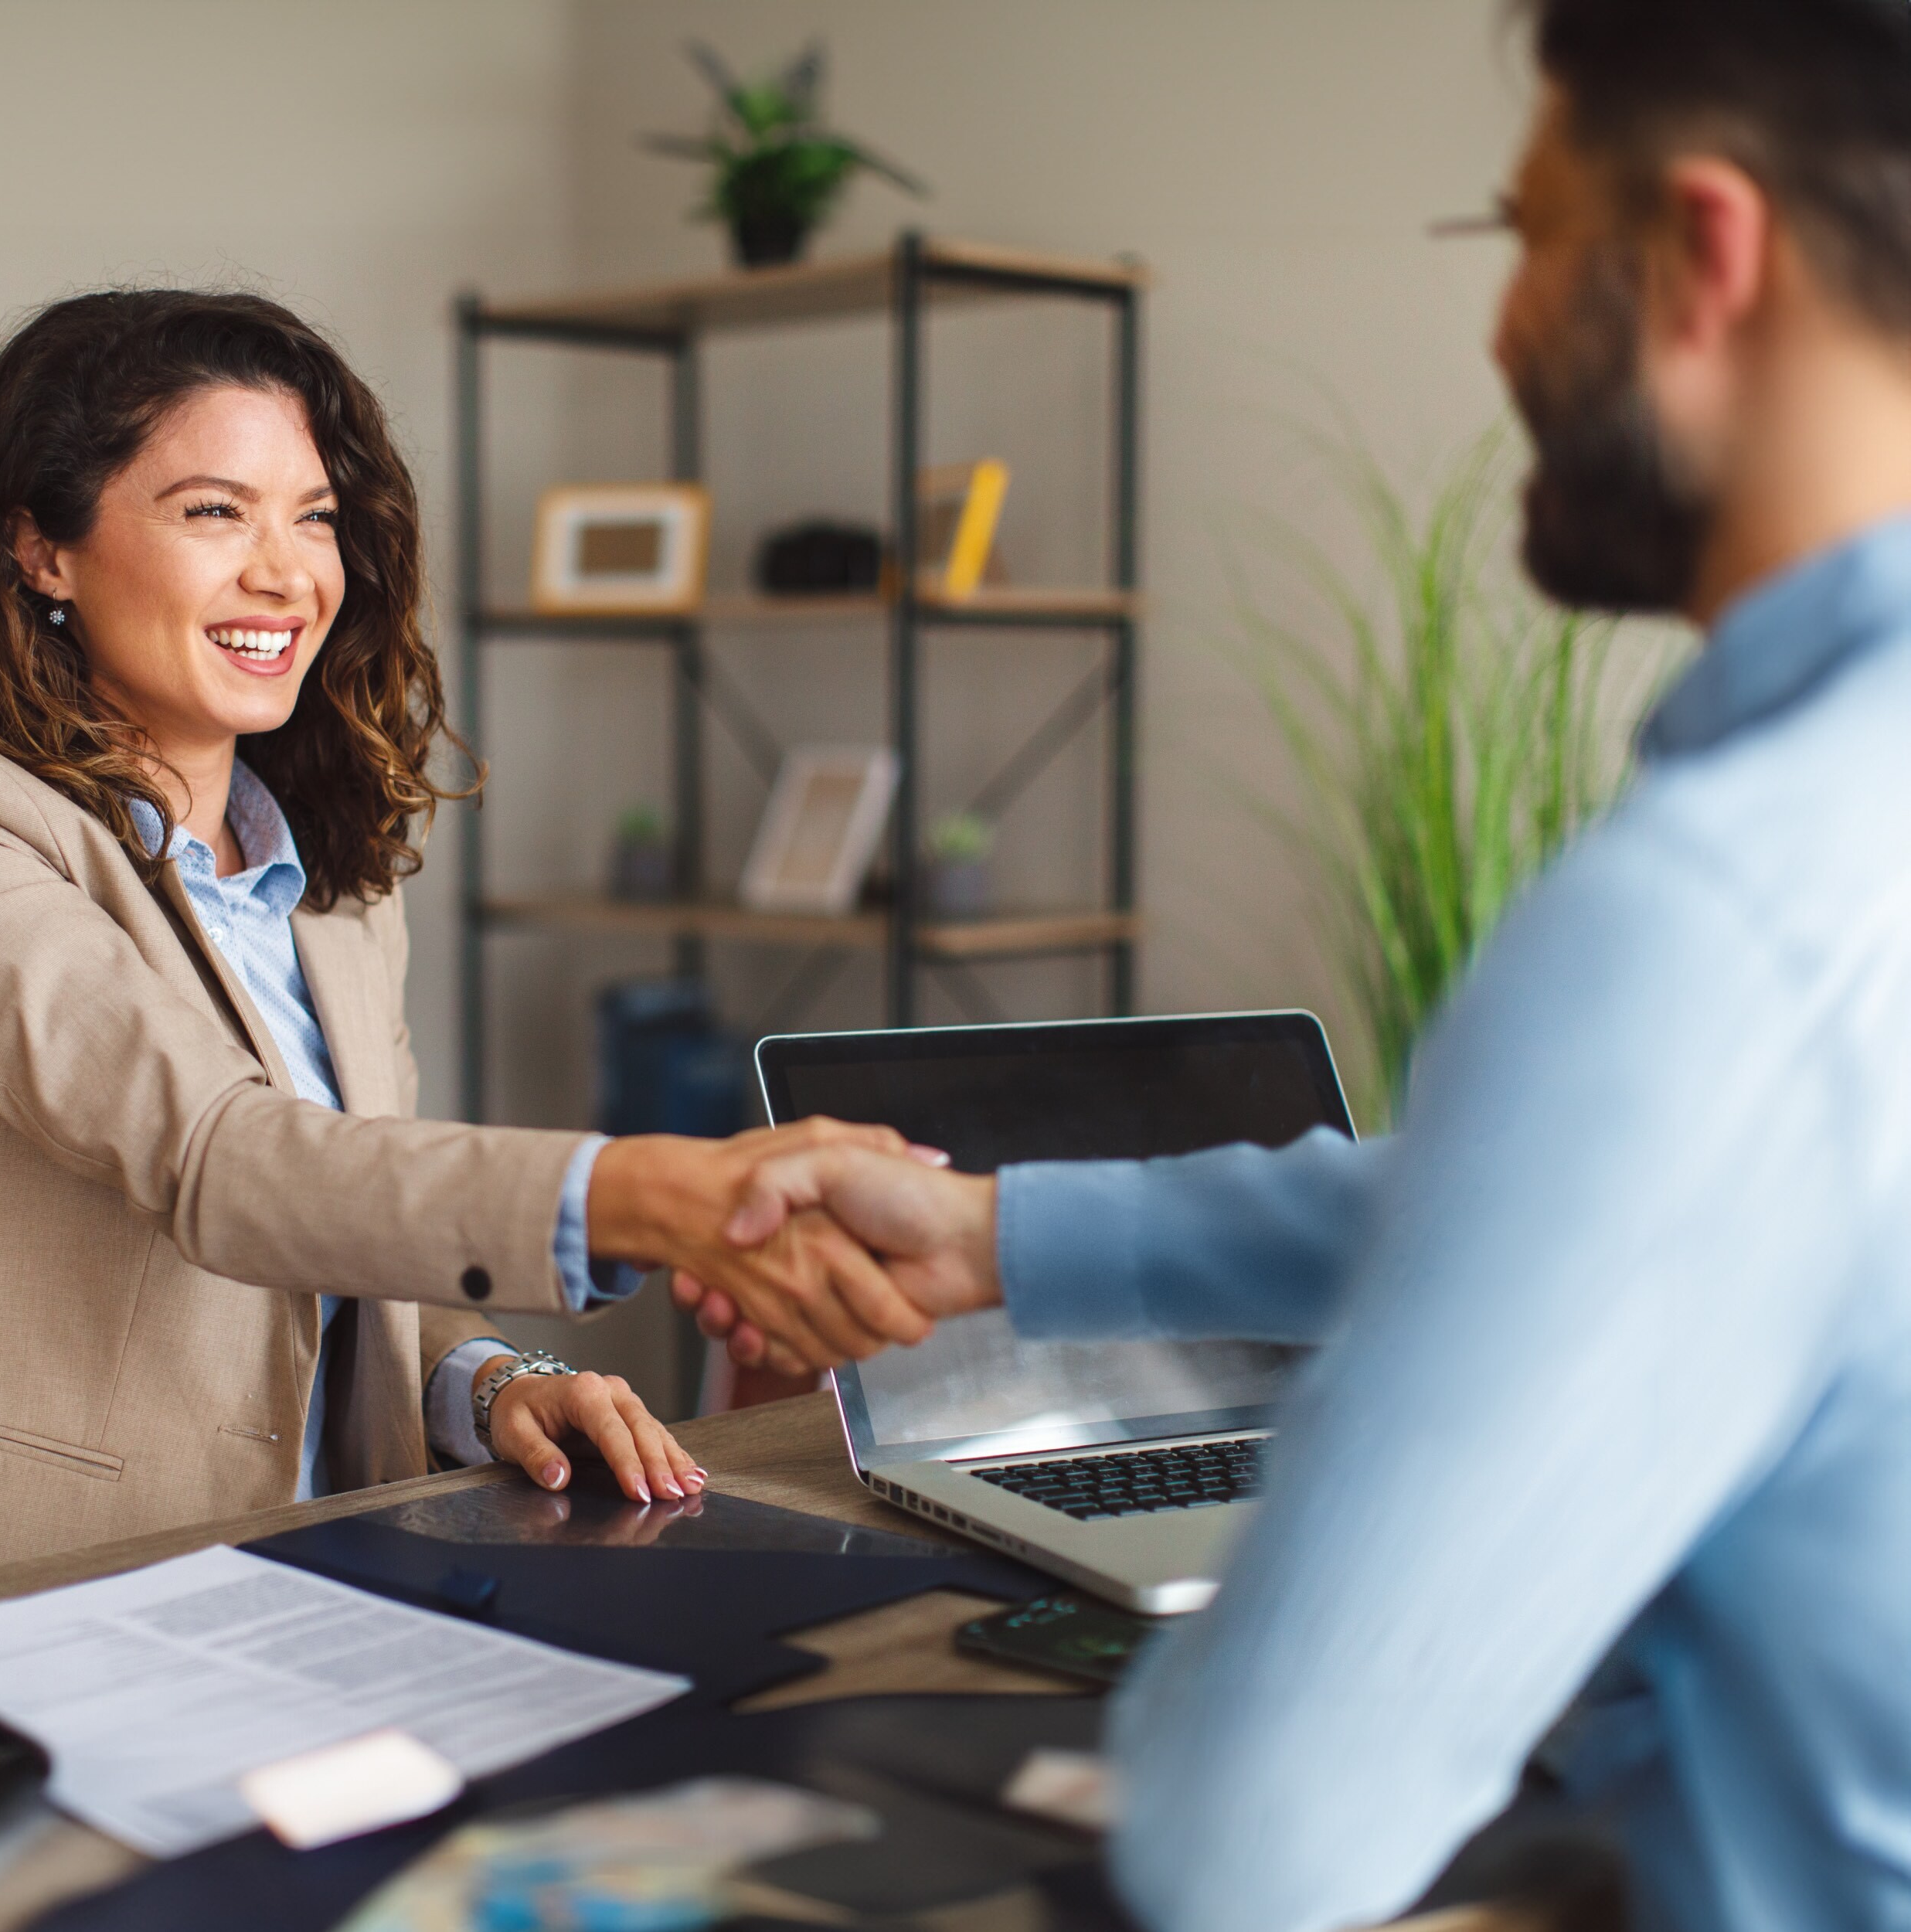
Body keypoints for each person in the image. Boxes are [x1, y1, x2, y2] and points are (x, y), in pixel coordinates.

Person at [678, 2, 1911, 1926]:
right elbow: (1611, 1206)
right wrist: (997, 1231)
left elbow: (1255, 1841)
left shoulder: (1713, 918)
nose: (1502, 323)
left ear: (1700, 257)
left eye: (1525, 234)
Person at [0, 290, 931, 1600]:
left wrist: (490, 1379)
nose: (286, 572)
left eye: (315, 516)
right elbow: (224, 1159)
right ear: (40, 548)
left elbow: (356, 1228)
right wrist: (656, 1193)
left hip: (331, 1577)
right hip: (20, 1595)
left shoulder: (329, 885)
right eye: (214, 511)